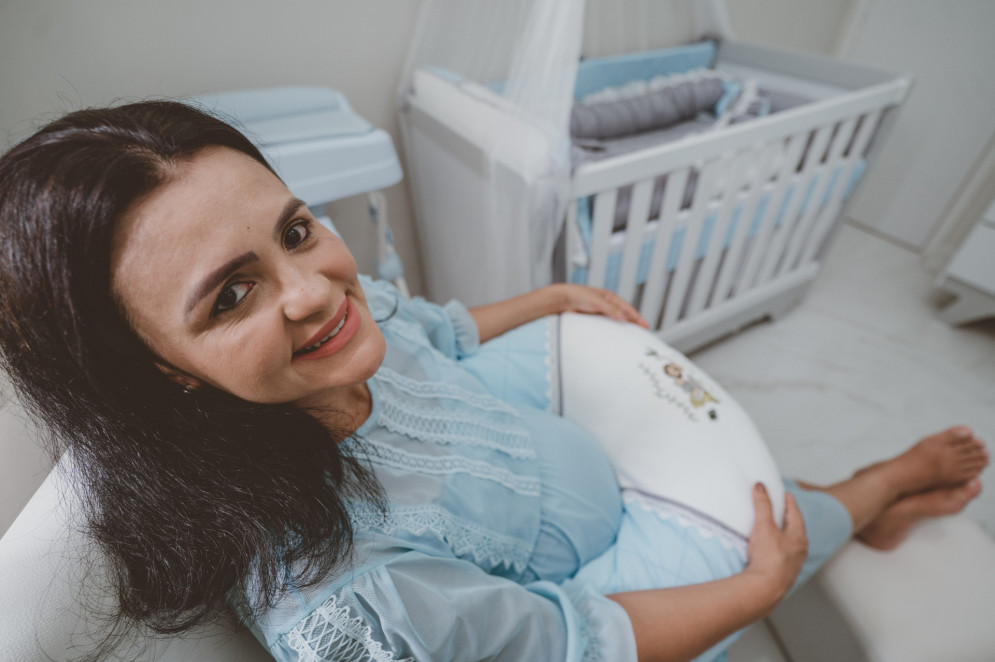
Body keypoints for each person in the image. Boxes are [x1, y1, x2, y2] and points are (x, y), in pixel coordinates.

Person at [0, 100, 987, 662]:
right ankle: (871, 492)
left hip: (532, 464)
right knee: (776, 523)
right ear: (160, 372)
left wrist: (548, 296)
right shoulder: (353, 593)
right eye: (230, 295)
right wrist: (754, 589)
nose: (313, 289)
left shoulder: (335, 335)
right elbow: (572, 642)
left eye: (294, 229)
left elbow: (434, 329)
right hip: (584, 574)